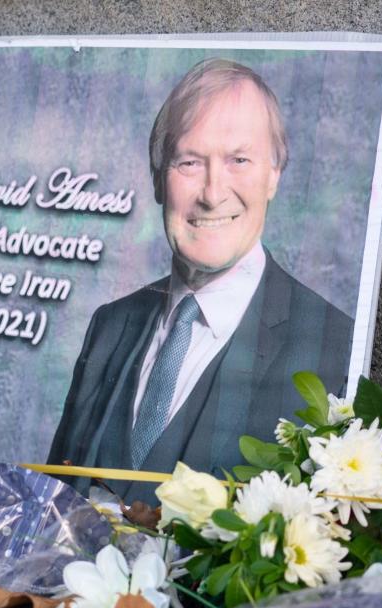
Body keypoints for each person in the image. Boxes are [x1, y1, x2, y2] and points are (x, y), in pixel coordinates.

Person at [47, 58, 354, 503]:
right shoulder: (108, 326)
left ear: (274, 175)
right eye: (189, 162)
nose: (212, 194)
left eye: (239, 160)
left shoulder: (335, 347)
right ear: (157, 178)